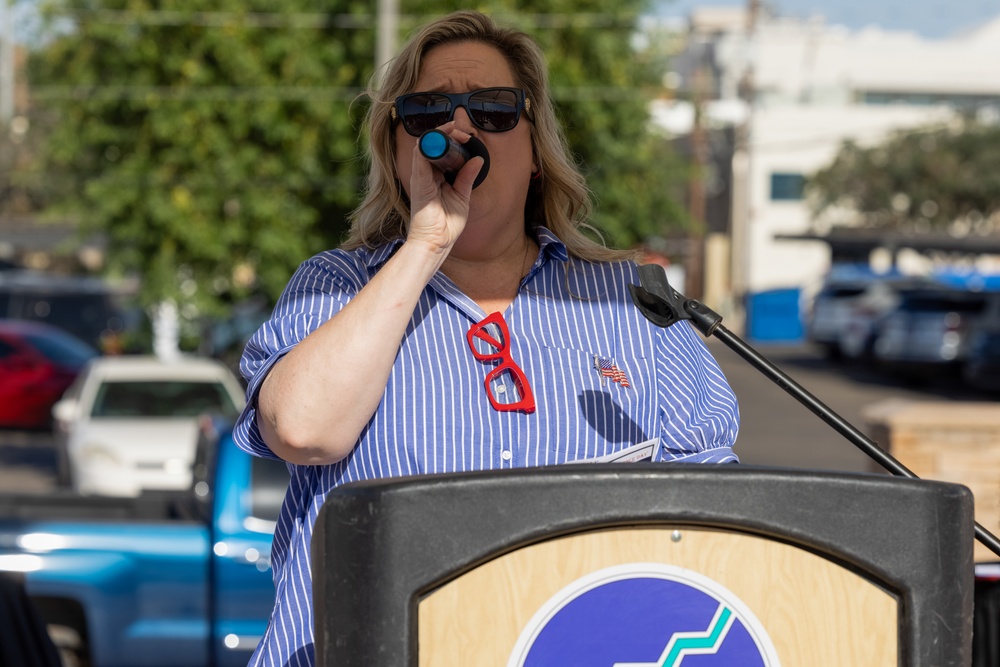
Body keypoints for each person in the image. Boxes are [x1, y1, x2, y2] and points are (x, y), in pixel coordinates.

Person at [233, 10, 739, 666]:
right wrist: (426, 244)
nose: (460, 128)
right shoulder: (335, 286)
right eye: (427, 111)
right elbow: (302, 428)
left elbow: (715, 517)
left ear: (536, 153)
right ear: (397, 148)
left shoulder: (629, 301)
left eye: (495, 110)